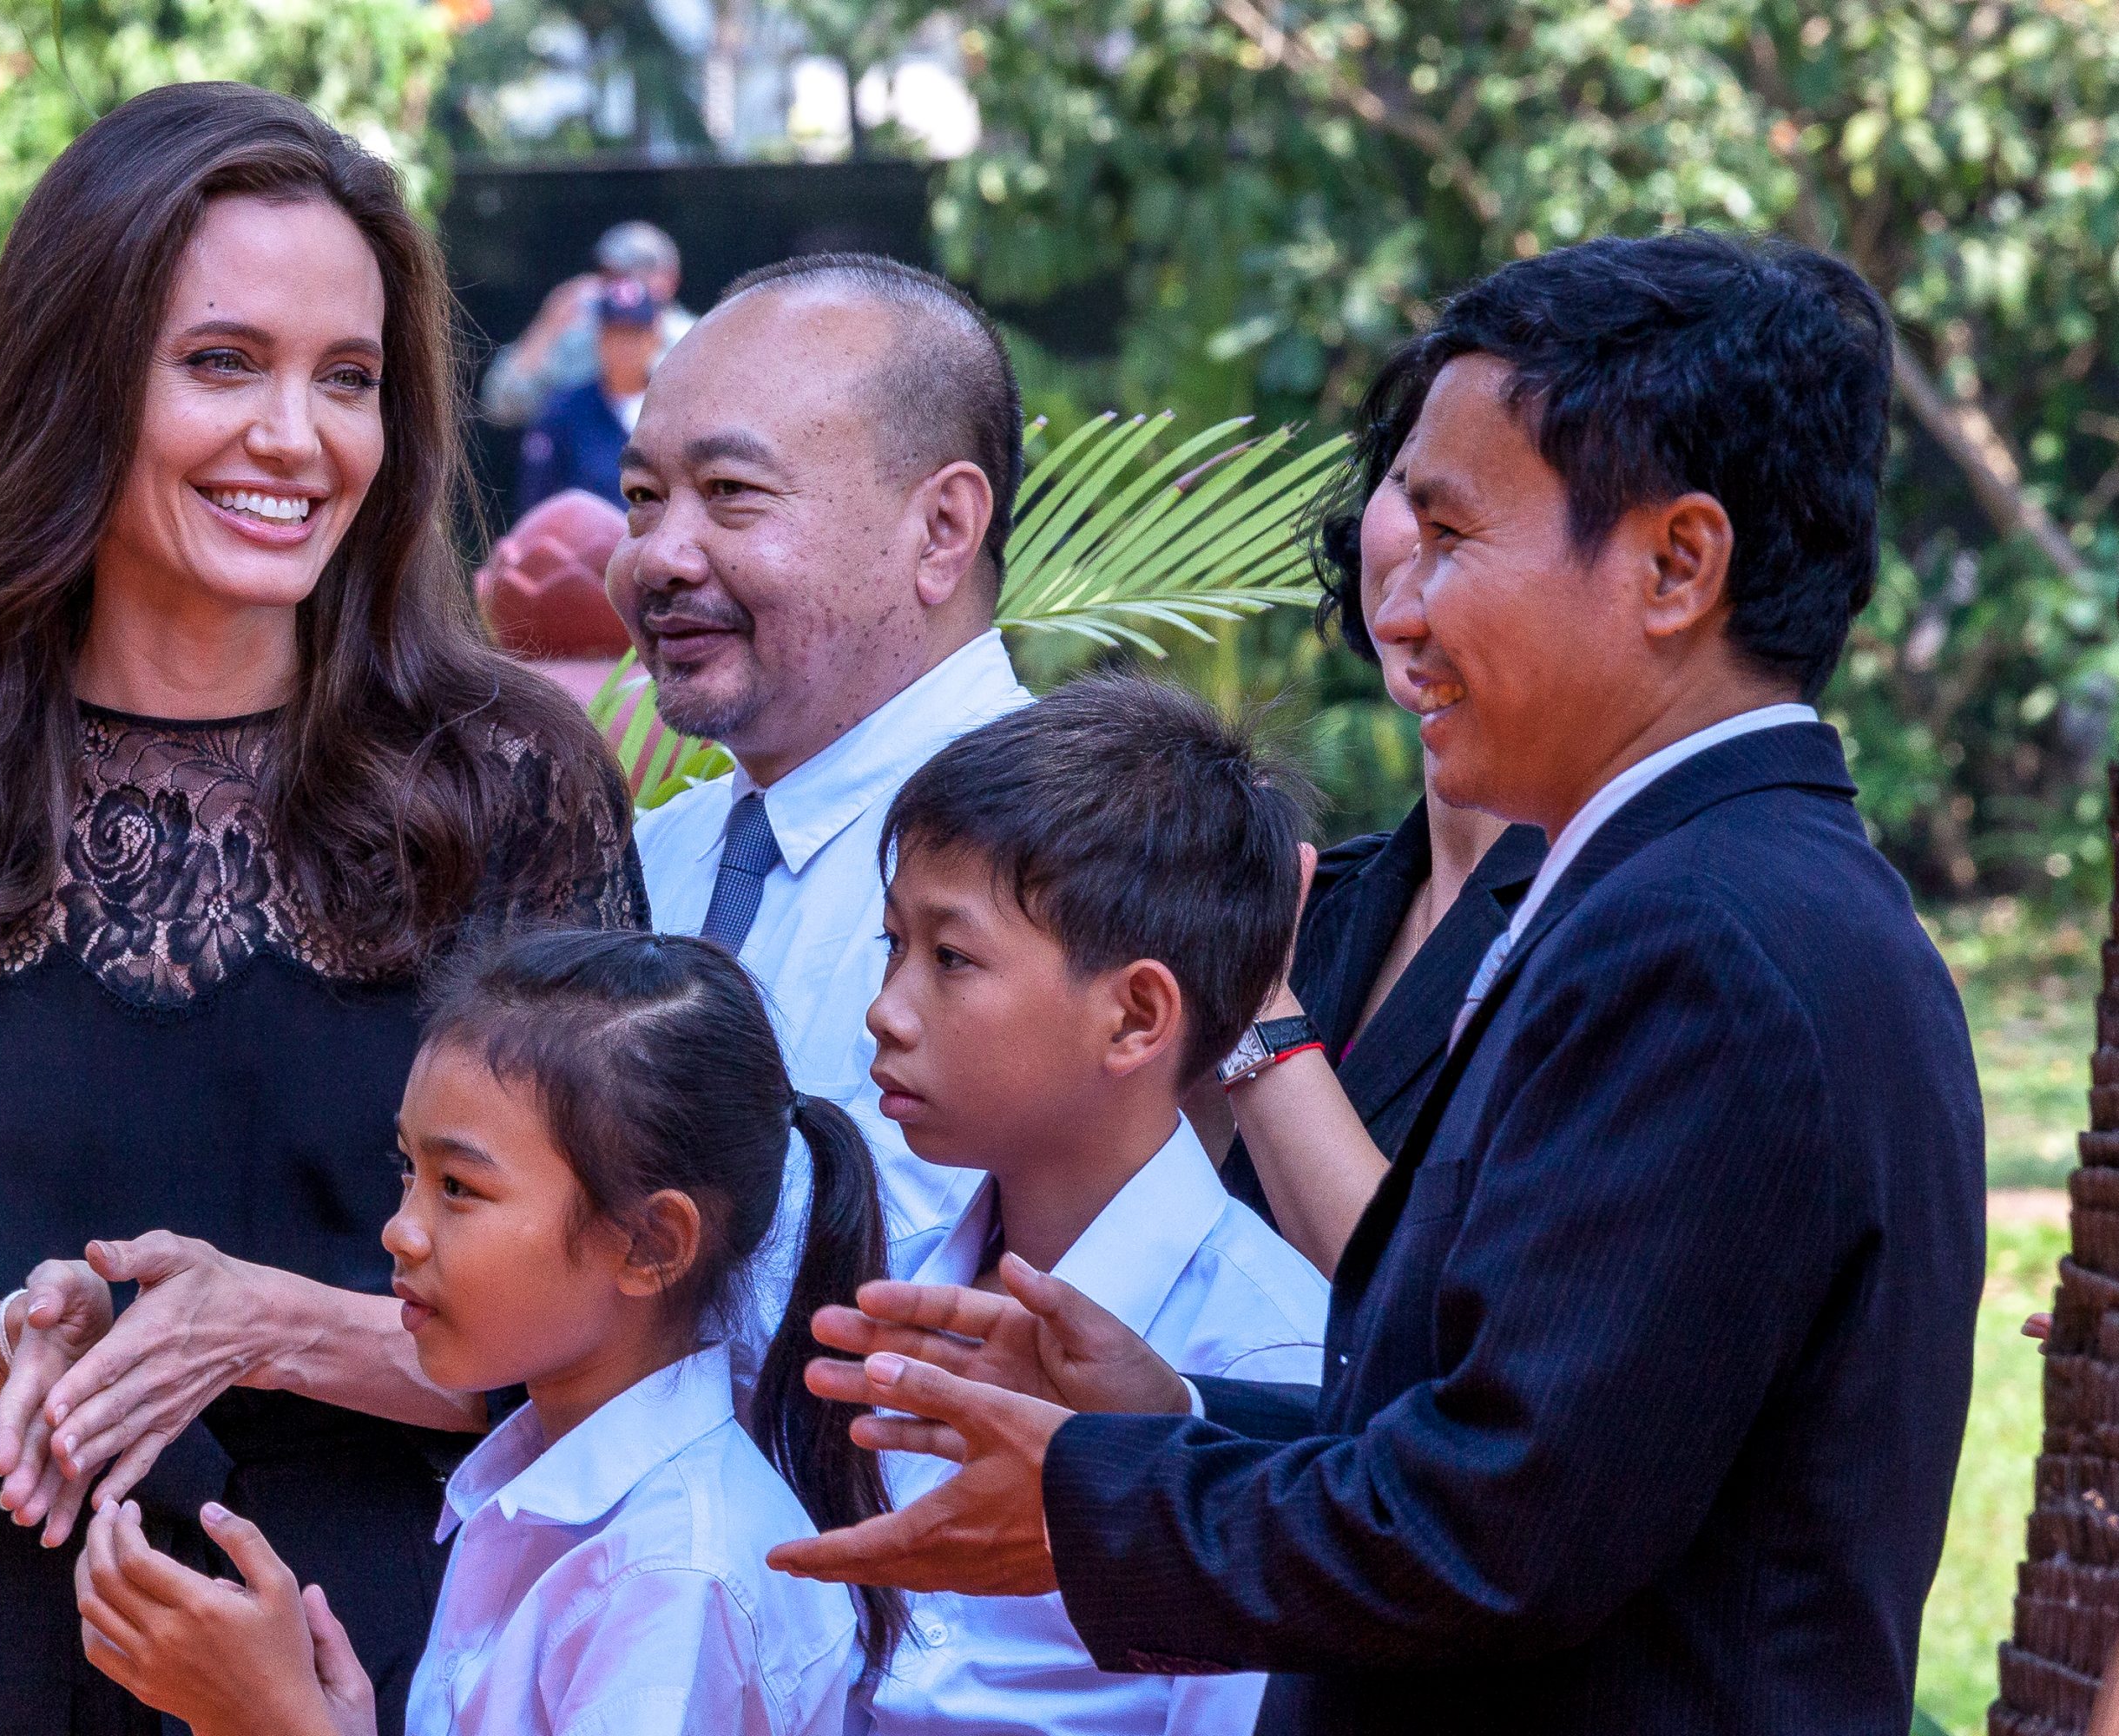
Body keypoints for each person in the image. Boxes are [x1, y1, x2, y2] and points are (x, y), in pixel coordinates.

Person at [770, 232, 1987, 1736]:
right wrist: (1171, 1418)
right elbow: (1530, 1440)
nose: (1398, 617)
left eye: (1453, 537)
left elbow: (1500, 1535)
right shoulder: (1701, 896)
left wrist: (1091, 1501)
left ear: (1677, 567)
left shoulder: (1707, 945)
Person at [0, 83, 643, 1736]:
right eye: (223, 362)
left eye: (346, 379)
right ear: (76, 377)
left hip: (396, 1676)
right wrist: (22, 1345)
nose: (298, 436)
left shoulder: (510, 780)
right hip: (10, 1677)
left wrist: (265, 1330)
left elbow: (627, 1325)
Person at [69, 929, 890, 1736]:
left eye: (458, 1187)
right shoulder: (545, 1491)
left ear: (650, 1244)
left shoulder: (673, 1580)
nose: (401, 1231)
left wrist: (271, 1723)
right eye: (408, 1170)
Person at [858, 674, 1327, 1735]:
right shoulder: (899, 1275)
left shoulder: (1260, 1360)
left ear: (1135, 1016)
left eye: (950, 957)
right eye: (893, 945)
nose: (886, 1010)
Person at [611, 251, 1033, 1278]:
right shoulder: (647, 855)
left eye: (730, 492)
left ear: (942, 530)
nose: (660, 556)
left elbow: (858, 1296)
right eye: (642, 496)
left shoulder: (1057, 864)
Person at [1206, 373, 1548, 1274]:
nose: (1425, 539)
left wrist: (1255, 1018)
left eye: (1473, 507)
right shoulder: (1323, 897)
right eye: (1409, 484)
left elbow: (1427, 1303)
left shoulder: (1617, 921)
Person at [479, 220, 695, 430]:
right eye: (611, 276)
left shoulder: (693, 339)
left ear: (669, 280)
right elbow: (501, 407)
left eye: (636, 274)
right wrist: (547, 326)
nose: (623, 287)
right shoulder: (579, 339)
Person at [515, 277, 660, 511]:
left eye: (635, 334)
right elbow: (537, 503)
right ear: (599, 338)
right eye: (616, 334)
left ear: (655, 338)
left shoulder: (674, 407)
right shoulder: (564, 411)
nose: (625, 346)